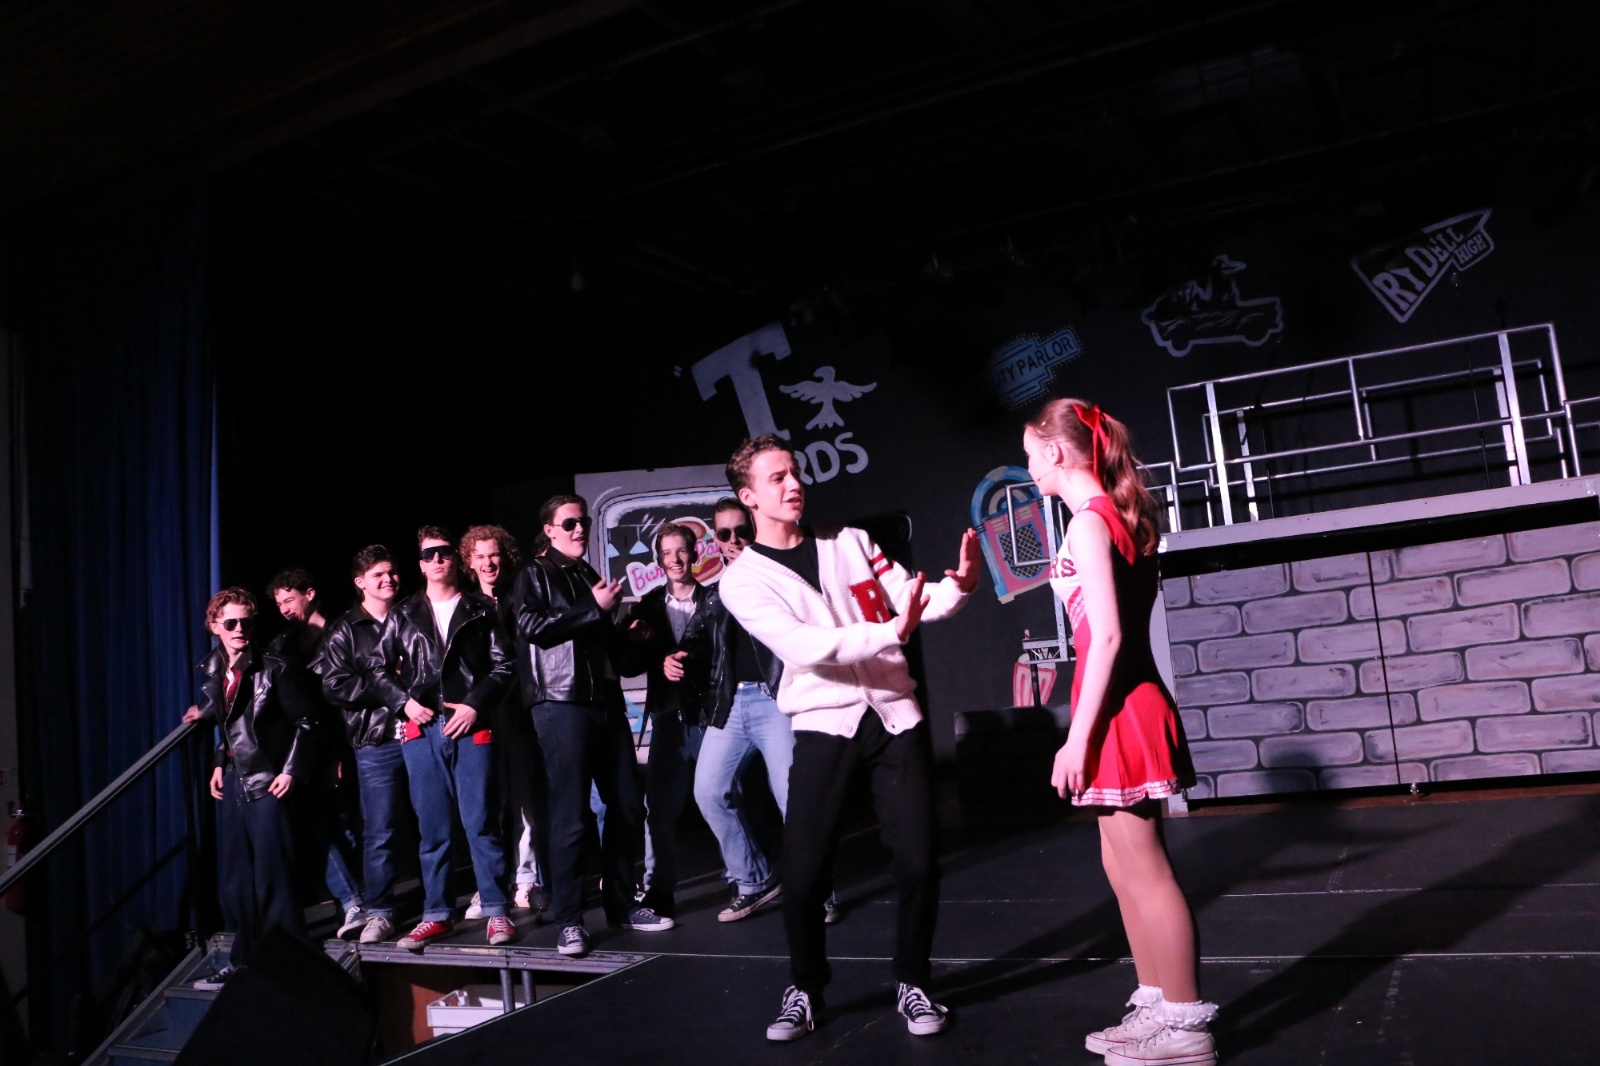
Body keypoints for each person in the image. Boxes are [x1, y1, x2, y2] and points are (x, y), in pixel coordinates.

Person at [716, 434, 980, 1042]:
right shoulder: (743, 581)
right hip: (823, 724)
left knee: (918, 861)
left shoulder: (851, 542)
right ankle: (805, 988)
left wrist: (960, 587)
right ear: (748, 497)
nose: (794, 484)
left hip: (895, 717)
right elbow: (808, 647)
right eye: (777, 477)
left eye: (795, 472)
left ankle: (913, 981)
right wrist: (891, 630)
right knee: (805, 874)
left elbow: (912, 601)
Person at [1022, 398, 1214, 1066]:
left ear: (1054, 450)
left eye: (1030, 455)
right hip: (1118, 704)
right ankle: (1156, 1007)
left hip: (1121, 709)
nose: (1029, 469)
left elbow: (1105, 636)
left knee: (1145, 867)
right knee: (1121, 865)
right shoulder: (1115, 515)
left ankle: (1186, 1026)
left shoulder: (1091, 522)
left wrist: (1077, 737)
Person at [509, 494, 661, 959]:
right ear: (549, 530)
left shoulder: (587, 573)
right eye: (570, 523)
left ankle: (621, 904)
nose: (580, 529)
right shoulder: (536, 572)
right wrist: (594, 607)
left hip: (603, 700)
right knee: (571, 814)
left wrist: (629, 636)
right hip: (561, 702)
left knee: (628, 803)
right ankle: (569, 920)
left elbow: (599, 642)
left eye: (584, 521)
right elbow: (533, 626)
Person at [365, 527, 518, 950]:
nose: (436, 560)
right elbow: (376, 668)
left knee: (481, 822)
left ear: (456, 558)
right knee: (433, 829)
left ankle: (496, 909)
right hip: (422, 729)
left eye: (444, 553)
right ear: (420, 563)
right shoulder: (404, 613)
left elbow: (506, 666)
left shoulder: (479, 609)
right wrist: (404, 704)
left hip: (471, 725)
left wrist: (474, 705)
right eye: (428, 554)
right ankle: (436, 915)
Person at [183, 588, 317, 986]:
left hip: (269, 781)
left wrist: (290, 771)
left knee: (273, 877)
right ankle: (244, 960)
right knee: (236, 880)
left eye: (246, 622)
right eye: (231, 623)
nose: (240, 629)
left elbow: (309, 721)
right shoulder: (216, 670)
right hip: (236, 781)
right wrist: (219, 762)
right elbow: (234, 722)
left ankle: (289, 961)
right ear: (214, 627)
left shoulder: (276, 668)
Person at [678, 499, 791, 923]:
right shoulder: (716, 594)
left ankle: (818, 890)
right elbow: (696, 641)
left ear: (754, 529)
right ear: (716, 539)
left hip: (775, 700)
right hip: (732, 703)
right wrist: (676, 658)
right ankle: (755, 880)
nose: (733, 540)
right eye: (724, 534)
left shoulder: (780, 576)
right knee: (708, 791)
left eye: (741, 531)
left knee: (794, 798)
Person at [314, 545, 412, 944]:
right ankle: (380, 910)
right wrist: (391, 688)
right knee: (380, 829)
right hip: (376, 740)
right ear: (360, 583)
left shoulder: (414, 615)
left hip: (424, 732)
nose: (388, 580)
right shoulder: (344, 630)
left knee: (441, 822)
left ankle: (445, 904)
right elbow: (335, 686)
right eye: (378, 575)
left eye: (391, 572)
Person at [268, 567, 366, 941]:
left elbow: (345, 699)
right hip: (307, 749)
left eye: (289, 599)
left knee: (353, 826)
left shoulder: (342, 632)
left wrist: (337, 754)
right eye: (278, 604)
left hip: (347, 741)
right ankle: (353, 900)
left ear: (309, 594)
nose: (284, 609)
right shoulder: (282, 645)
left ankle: (366, 899)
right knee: (320, 829)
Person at [621, 522, 711, 923]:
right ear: (659, 559)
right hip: (668, 718)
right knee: (659, 809)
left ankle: (748, 882)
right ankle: (659, 891)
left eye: (682, 551)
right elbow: (627, 666)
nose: (675, 559)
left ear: (695, 553)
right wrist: (647, 651)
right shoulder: (648, 605)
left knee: (729, 799)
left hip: (711, 718)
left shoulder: (716, 601)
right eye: (667, 552)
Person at [461, 524, 550, 921]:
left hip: (520, 709)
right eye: (479, 556)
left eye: (493, 554)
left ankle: (526, 879)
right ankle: (490, 884)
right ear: (469, 562)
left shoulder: (519, 596)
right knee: (486, 803)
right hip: (479, 713)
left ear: (505, 556)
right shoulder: (464, 604)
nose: (488, 562)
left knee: (525, 799)